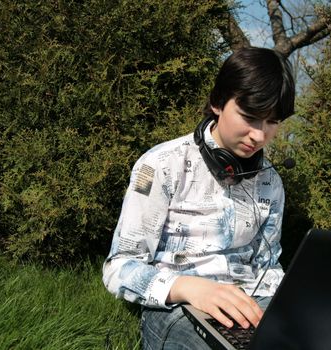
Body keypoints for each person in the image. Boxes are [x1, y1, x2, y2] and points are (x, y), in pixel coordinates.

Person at [102, 47, 295, 350]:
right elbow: (119, 267)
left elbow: (267, 266)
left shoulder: (271, 182)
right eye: (250, 117)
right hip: (178, 306)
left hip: (248, 303)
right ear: (217, 103)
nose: (259, 135)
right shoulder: (162, 165)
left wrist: (295, 307)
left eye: (272, 122)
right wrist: (187, 287)